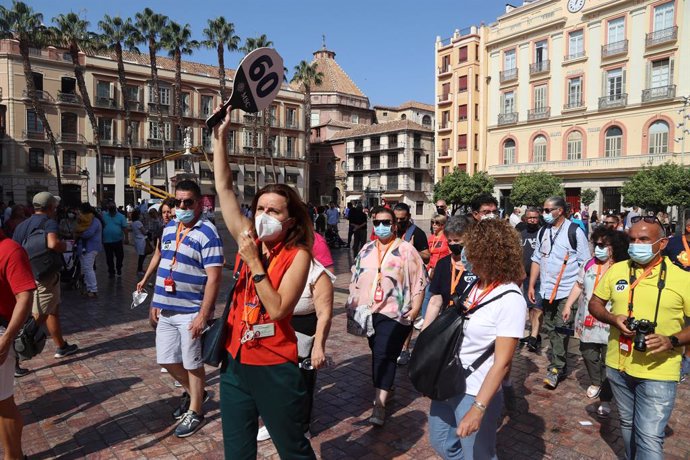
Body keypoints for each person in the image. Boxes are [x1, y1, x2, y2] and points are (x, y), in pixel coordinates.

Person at [213, 108, 316, 458]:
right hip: (236, 359)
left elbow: (278, 309)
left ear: (290, 220)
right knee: (237, 451)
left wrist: (254, 263)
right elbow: (224, 187)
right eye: (260, 209)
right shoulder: (249, 238)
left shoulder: (298, 254)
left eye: (274, 211)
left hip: (274, 364)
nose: (264, 217)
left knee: (293, 448)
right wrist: (220, 138)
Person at [589, 216, 690, 460]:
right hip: (618, 365)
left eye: (644, 239)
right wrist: (613, 319)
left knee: (649, 436)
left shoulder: (683, 278)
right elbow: (595, 303)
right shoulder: (617, 270)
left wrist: (672, 340)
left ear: (662, 243)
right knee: (627, 423)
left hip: (660, 369)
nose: (637, 244)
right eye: (632, 239)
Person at [426, 218, 527, 459]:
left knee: (478, 454)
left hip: (476, 389)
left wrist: (479, 408)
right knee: (441, 441)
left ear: (489, 253)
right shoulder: (476, 287)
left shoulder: (510, 298)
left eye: (471, 248)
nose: (465, 254)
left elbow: (502, 362)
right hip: (450, 379)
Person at [150, 180, 222, 438]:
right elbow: (163, 266)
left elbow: (214, 277)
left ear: (199, 202)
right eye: (178, 201)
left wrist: (204, 314)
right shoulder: (169, 228)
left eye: (188, 202)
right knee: (167, 359)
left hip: (191, 309)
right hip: (167, 309)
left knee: (192, 364)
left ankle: (196, 410)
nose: (182, 206)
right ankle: (196, 393)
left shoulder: (208, 232)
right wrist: (155, 301)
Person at [345, 206, 427, 426]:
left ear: (395, 224)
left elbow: (420, 278)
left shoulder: (407, 250)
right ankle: (387, 388)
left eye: (387, 222)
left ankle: (379, 405)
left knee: (382, 354)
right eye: (378, 222)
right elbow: (356, 276)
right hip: (370, 310)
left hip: (396, 311)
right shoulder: (367, 249)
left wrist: (417, 307)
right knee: (379, 352)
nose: (382, 226)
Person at [563, 227, 630, 417]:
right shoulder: (588, 264)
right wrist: (568, 305)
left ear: (614, 247)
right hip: (587, 321)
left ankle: (606, 398)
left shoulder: (623, 267)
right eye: (596, 244)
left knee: (609, 360)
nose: (597, 248)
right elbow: (578, 285)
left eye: (602, 245)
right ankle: (596, 381)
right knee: (588, 353)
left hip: (611, 323)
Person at [12, 192, 78, 376]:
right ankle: (17, 354)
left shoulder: (22, 225)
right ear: (51, 207)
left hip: (26, 274)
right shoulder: (49, 222)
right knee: (38, 315)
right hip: (45, 275)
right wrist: (64, 245)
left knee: (52, 308)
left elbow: (15, 249)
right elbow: (53, 243)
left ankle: (61, 346)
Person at [528, 196, 589, 389]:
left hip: (566, 292)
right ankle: (558, 361)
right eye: (543, 210)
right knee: (551, 327)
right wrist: (532, 285)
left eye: (547, 210)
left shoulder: (574, 232)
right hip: (546, 290)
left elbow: (585, 263)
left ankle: (556, 367)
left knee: (561, 329)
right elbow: (537, 259)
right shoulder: (543, 232)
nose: (543, 214)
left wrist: (579, 293)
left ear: (560, 210)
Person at [0, 229, 36, 459]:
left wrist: (6, 340)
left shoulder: (9, 249)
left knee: (3, 402)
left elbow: (25, 296)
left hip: (1, 329)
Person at [422, 215, 477, 328]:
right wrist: (424, 333)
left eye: (457, 240)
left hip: (473, 324)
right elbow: (435, 300)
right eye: (449, 240)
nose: (452, 244)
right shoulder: (443, 264)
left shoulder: (479, 265)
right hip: (449, 322)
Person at [393, 202, 430, 365]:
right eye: (396, 219)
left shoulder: (418, 233)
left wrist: (411, 250)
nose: (399, 222)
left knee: (407, 315)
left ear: (408, 217)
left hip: (410, 281)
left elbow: (427, 256)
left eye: (402, 219)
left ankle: (404, 349)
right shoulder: (390, 230)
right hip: (392, 280)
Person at [663, 216, 690, 380]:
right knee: (673, 325)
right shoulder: (673, 243)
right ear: (688, 228)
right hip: (672, 292)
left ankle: (686, 362)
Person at [416, 214, 451, 329]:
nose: (434, 225)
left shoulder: (446, 238)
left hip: (441, 269)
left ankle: (430, 317)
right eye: (433, 223)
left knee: (434, 294)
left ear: (443, 225)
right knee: (428, 294)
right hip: (430, 268)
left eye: (438, 223)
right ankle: (425, 317)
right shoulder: (431, 238)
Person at [519, 207, 544, 352]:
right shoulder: (521, 235)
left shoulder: (543, 233)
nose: (532, 220)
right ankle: (534, 334)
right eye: (530, 218)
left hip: (541, 276)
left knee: (538, 306)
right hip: (526, 276)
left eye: (535, 217)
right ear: (525, 218)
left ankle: (534, 336)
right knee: (530, 307)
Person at [137, 198, 175, 293]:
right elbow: (157, 255)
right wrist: (145, 279)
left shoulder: (182, 230)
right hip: (164, 278)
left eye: (168, 212)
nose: (166, 215)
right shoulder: (162, 230)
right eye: (163, 212)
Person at [74, 203, 102, 298]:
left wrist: (79, 234)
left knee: (88, 268)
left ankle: (93, 289)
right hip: (83, 247)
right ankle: (88, 287)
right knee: (85, 268)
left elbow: (88, 233)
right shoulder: (84, 221)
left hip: (91, 247)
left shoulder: (94, 221)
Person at [102, 201, 129, 278]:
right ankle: (111, 271)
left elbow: (125, 228)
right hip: (107, 241)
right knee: (109, 257)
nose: (111, 213)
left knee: (120, 256)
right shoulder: (104, 216)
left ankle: (119, 268)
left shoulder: (121, 216)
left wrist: (126, 238)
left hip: (118, 240)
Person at [130, 209, 148, 276]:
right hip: (142, 241)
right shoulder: (138, 223)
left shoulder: (133, 223)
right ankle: (139, 270)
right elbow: (144, 231)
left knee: (141, 256)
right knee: (142, 256)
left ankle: (140, 269)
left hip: (137, 240)